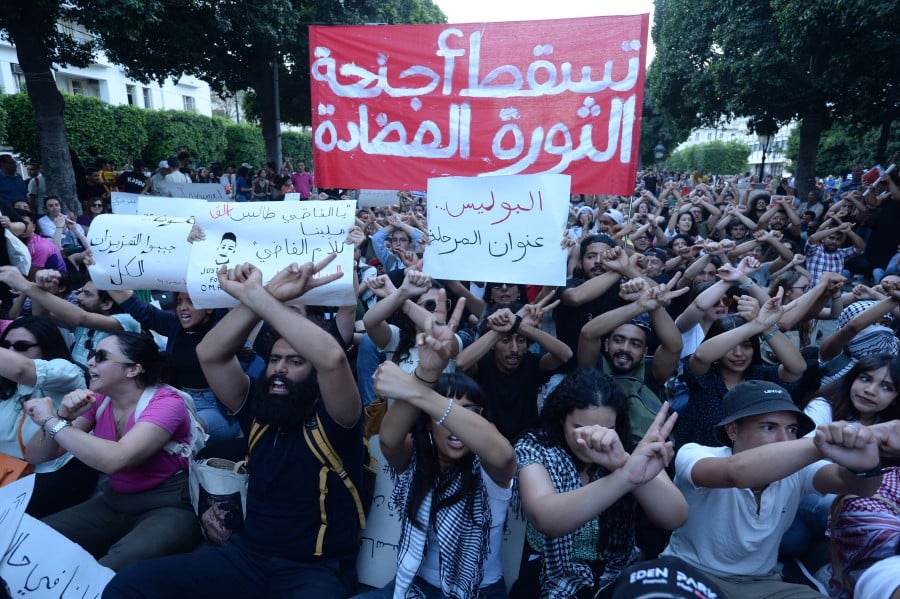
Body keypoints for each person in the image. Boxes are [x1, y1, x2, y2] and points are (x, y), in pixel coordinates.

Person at [104, 257, 364, 597]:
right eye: (274, 359)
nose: (280, 369)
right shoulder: (260, 409)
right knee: (130, 585)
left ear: (315, 373)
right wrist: (265, 293)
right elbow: (210, 353)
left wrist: (261, 297)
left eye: (296, 361)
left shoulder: (338, 418)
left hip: (312, 572)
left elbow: (331, 357)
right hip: (246, 559)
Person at [661, 380, 885, 598]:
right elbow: (735, 472)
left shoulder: (798, 469)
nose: (784, 439)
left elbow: (856, 485)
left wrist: (868, 465)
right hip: (690, 574)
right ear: (733, 431)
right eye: (769, 427)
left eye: (791, 429)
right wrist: (824, 443)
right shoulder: (696, 453)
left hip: (761, 584)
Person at [24, 332, 199, 571]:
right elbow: (37, 456)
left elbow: (117, 459)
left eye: (101, 357)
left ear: (133, 370)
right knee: (32, 539)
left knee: (114, 566)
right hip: (115, 501)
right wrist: (61, 417)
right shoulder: (98, 399)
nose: (90, 362)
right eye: (92, 354)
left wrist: (50, 421)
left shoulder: (167, 402)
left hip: (168, 504)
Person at [514, 368, 687, 598]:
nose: (594, 439)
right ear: (561, 418)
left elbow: (675, 516)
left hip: (614, 580)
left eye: (607, 429)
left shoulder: (630, 451)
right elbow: (546, 517)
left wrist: (626, 464)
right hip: (546, 579)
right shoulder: (534, 448)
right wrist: (624, 477)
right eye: (579, 428)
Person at [356, 349, 516, 597]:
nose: (455, 425)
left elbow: (504, 455)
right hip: (416, 586)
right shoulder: (417, 459)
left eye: (469, 412)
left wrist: (418, 391)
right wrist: (426, 373)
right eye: (445, 414)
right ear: (428, 421)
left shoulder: (489, 468)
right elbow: (389, 440)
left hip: (477, 592)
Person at [675, 290, 807, 448]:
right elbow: (701, 356)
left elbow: (797, 368)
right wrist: (756, 324)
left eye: (746, 346)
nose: (739, 353)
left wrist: (767, 328)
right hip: (702, 463)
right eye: (730, 347)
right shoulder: (704, 377)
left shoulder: (762, 377)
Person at [108, 289, 239, 443]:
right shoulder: (175, 325)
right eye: (179, 302)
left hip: (217, 409)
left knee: (180, 429)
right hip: (181, 399)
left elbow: (239, 310)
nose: (182, 307)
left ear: (209, 307)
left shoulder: (223, 329)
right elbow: (141, 309)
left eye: (190, 301)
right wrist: (102, 273)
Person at [0, 316, 96, 517]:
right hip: (5, 467)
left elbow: (20, 369)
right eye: (5, 346)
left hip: (48, 473)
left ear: (45, 347)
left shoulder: (66, 371)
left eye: (21, 346)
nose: (10, 353)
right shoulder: (4, 381)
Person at [577, 276, 686, 441]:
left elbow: (674, 346)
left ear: (644, 352)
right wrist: (639, 306)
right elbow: (588, 333)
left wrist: (654, 307)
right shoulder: (594, 366)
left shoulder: (651, 372)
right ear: (606, 344)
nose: (625, 348)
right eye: (618, 340)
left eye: (635, 344)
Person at [456, 296, 571, 441]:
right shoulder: (482, 364)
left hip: (527, 442)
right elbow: (461, 363)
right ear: (492, 344)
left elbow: (565, 354)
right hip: (487, 441)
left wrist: (518, 324)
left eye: (521, 340)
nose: (514, 349)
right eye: (506, 340)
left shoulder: (532, 363)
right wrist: (500, 329)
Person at [0, 267, 142, 367]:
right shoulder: (83, 322)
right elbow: (41, 317)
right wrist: (40, 288)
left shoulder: (127, 321)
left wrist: (26, 285)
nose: (78, 297)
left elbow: (81, 318)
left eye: (87, 294)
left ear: (106, 303)